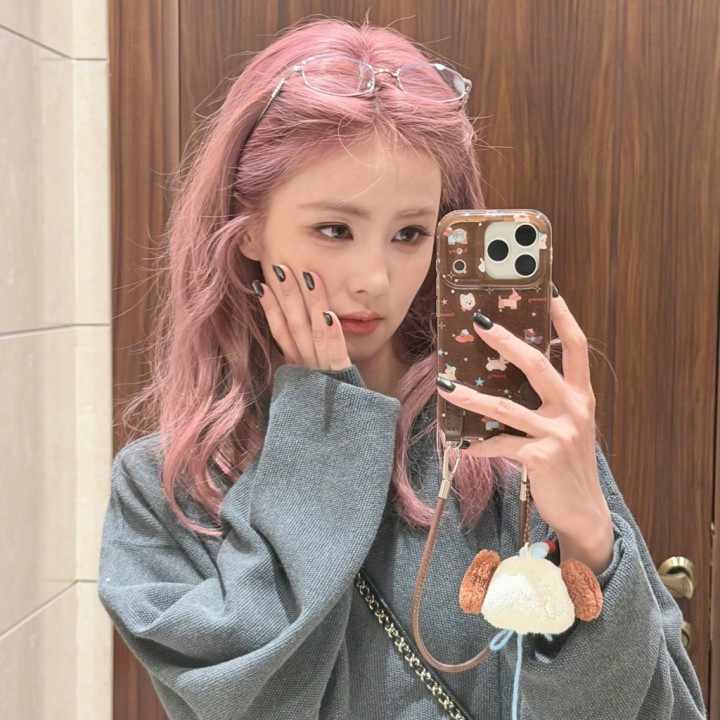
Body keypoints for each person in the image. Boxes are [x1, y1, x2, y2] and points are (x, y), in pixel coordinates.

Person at [98, 18, 706, 720]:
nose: (375, 279)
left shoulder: (510, 442)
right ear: (250, 226)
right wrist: (323, 424)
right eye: (335, 229)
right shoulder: (167, 488)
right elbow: (251, 701)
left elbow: (670, 710)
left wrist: (593, 545)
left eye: (411, 233)